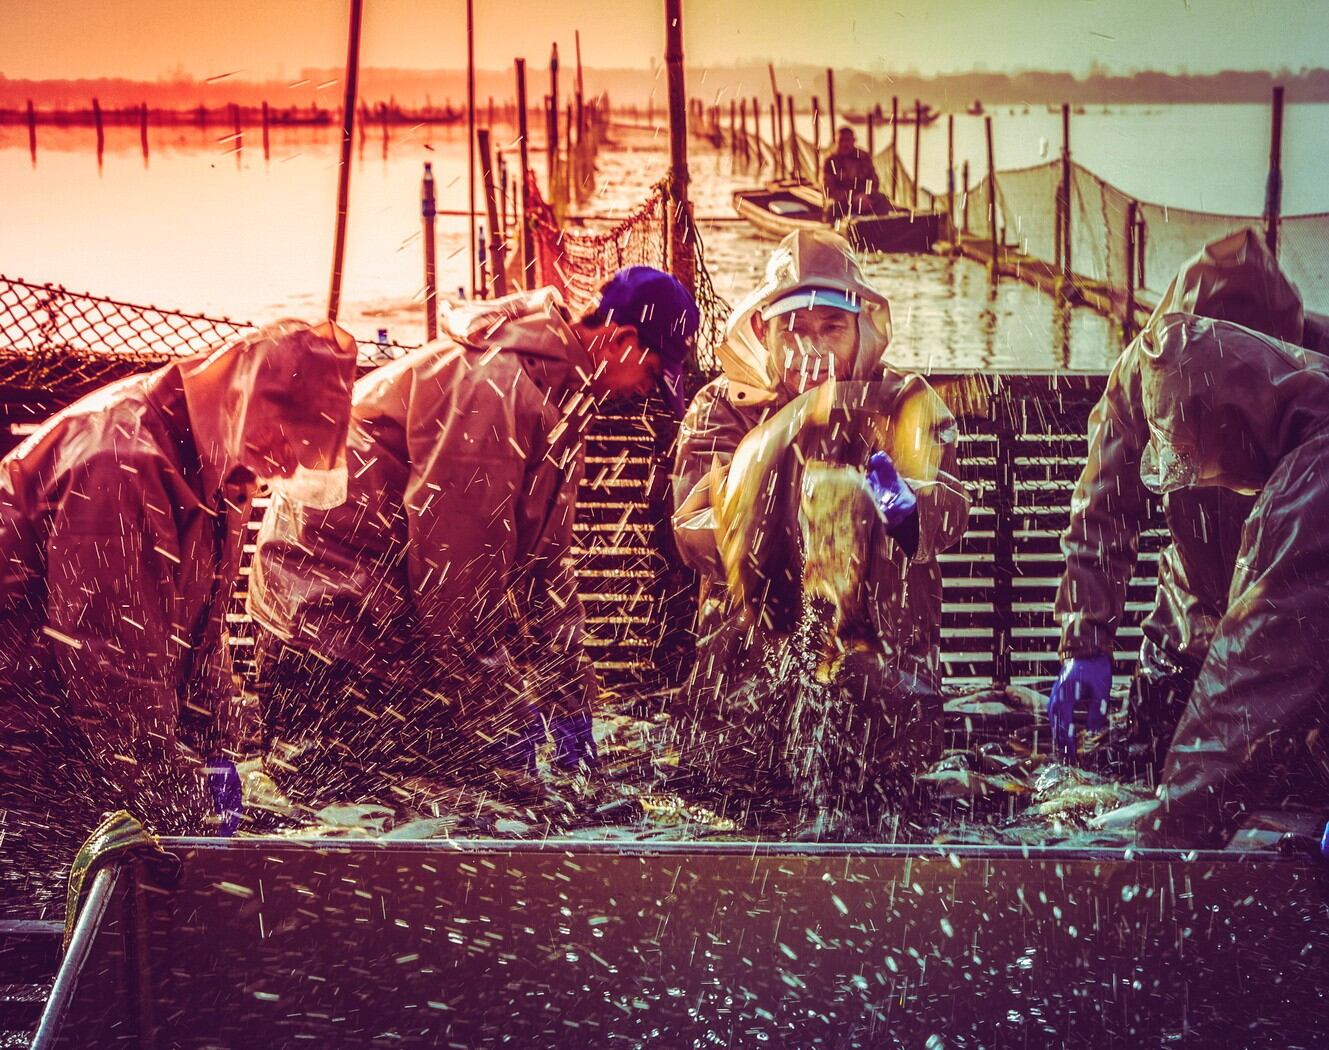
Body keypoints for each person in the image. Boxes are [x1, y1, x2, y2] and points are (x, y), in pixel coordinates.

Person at [248, 270, 699, 808]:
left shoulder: (562, 398)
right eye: (652, 371)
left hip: (385, 609)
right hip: (326, 619)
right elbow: (456, 582)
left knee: (464, 792)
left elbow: (545, 571)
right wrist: (501, 717)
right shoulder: (493, 386)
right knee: (365, 812)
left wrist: (570, 700)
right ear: (622, 339)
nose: (648, 391)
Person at [0, 320, 359, 837]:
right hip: (23, 734)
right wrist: (184, 802)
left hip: (73, 725)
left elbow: (201, 638)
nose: (285, 466)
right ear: (244, 402)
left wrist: (231, 754)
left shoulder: (219, 466)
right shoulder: (121, 463)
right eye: (285, 440)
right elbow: (108, 668)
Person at [670, 230, 969, 832]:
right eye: (794, 328)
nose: (813, 345)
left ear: (863, 328)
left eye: (832, 327)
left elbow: (949, 510)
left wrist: (905, 508)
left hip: (884, 685)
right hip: (746, 683)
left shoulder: (906, 400)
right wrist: (777, 505)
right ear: (765, 331)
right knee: (741, 820)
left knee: (882, 819)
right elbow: (693, 526)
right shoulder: (721, 408)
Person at [1050, 229, 1312, 767]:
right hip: (1187, 623)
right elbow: (1103, 509)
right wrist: (1085, 641)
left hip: (1293, 641)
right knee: (1148, 772)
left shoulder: (1315, 373)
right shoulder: (1146, 374)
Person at [1089, 314, 1329, 847]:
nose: (1197, 480)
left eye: (1193, 460)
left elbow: (1257, 675)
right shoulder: (1305, 418)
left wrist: (1168, 830)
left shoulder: (1310, 488)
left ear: (1231, 429)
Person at [822, 126, 887, 220]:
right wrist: (853, 199)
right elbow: (828, 190)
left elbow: (874, 181)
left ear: (854, 141)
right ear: (835, 141)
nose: (845, 144)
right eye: (841, 141)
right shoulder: (829, 160)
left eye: (848, 140)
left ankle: (882, 225)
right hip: (843, 202)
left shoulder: (863, 156)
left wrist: (865, 195)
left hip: (864, 199)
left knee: (882, 199)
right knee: (832, 209)